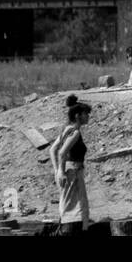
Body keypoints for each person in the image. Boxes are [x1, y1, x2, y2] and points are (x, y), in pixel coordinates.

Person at [48, 94, 92, 234]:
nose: (88, 116)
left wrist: (58, 171)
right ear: (78, 115)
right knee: (77, 206)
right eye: (86, 114)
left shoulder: (66, 129)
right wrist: (60, 171)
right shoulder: (75, 132)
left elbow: (52, 149)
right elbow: (61, 152)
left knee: (68, 204)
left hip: (68, 171)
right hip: (73, 172)